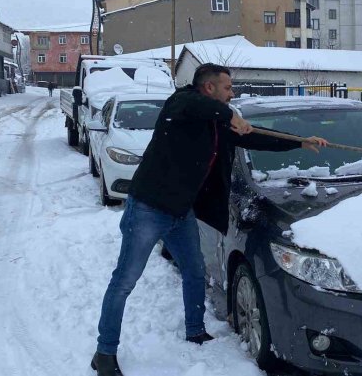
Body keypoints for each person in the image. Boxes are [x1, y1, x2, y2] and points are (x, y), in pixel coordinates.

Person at [91, 64, 328, 376]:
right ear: (209, 88)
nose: (233, 94)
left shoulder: (217, 123)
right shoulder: (181, 105)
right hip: (148, 208)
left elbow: (255, 138)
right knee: (125, 280)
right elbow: (195, 106)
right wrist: (230, 115)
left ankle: (194, 329)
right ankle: (104, 351)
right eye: (228, 88)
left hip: (181, 212)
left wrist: (299, 141)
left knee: (194, 272)